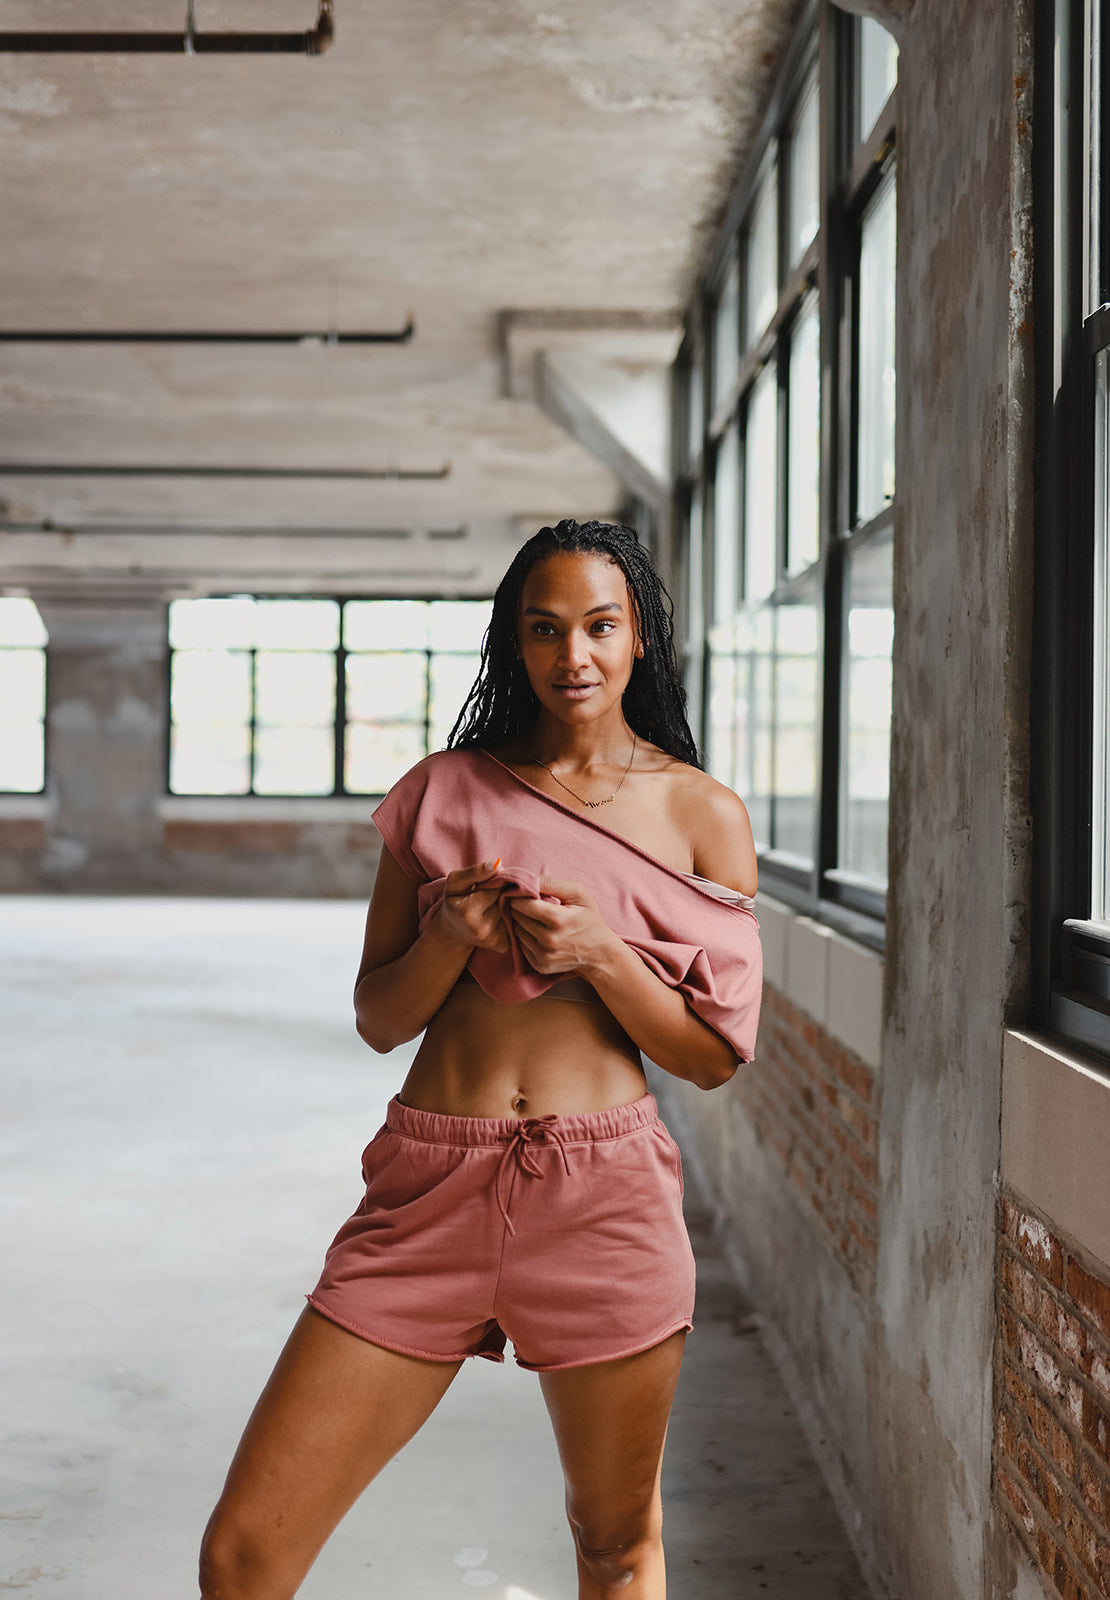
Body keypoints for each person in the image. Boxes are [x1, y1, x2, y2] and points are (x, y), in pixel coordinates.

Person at [199, 518, 761, 1600]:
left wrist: (603, 954)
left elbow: (711, 1055)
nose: (574, 656)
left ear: (641, 634)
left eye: (601, 626)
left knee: (613, 1545)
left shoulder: (702, 812)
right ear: (515, 644)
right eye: (544, 630)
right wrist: (448, 939)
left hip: (605, 1200)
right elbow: (377, 1016)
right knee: (242, 1555)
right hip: (429, 1188)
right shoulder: (443, 790)